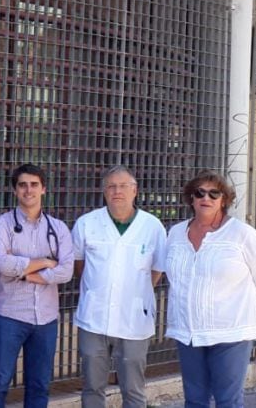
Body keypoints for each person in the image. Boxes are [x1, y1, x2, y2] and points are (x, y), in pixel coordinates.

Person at [165, 170, 256, 408]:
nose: (206, 198)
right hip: (188, 332)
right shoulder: (176, 233)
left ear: (224, 199)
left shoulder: (242, 234)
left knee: (228, 401)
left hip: (230, 333)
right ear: (191, 198)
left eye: (214, 193)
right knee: (194, 400)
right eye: (200, 193)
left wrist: (235, 304)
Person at [71, 166, 167, 408]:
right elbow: (79, 264)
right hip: (94, 318)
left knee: (133, 389)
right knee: (92, 386)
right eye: (111, 186)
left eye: (123, 186)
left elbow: (157, 268)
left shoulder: (152, 226)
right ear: (104, 192)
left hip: (134, 319)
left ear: (135, 190)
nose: (117, 191)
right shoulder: (86, 223)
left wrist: (136, 293)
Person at [0, 163, 74, 408]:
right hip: (8, 316)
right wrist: (44, 262)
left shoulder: (58, 228)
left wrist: (25, 274)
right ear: (15, 190)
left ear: (43, 189)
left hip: (46, 319)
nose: (28, 190)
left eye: (34, 185)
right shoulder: (1, 224)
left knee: (39, 385)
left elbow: (66, 271)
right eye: (22, 185)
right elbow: (2, 264)